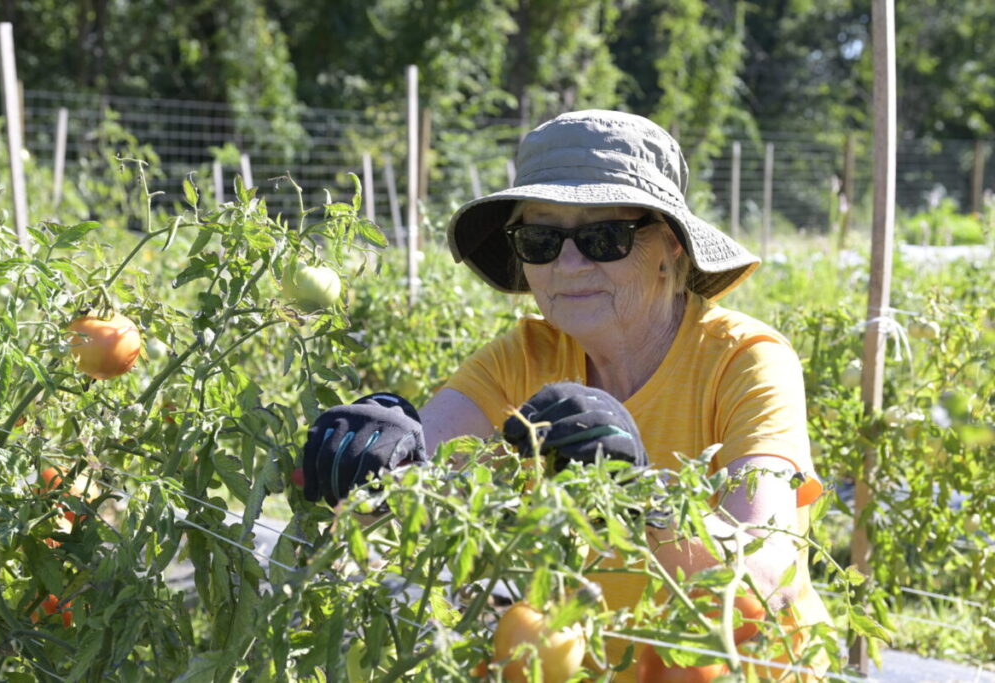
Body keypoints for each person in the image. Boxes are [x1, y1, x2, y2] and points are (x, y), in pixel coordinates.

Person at [301, 110, 832, 680]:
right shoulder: (523, 356)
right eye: (541, 238)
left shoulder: (745, 361)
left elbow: (764, 570)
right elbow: (420, 461)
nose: (569, 263)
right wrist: (374, 455)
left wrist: (639, 497)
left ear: (670, 246)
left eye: (604, 237)